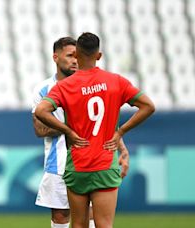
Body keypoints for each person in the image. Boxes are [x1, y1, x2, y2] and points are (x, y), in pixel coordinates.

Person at [35, 32, 155, 228]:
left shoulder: (65, 86)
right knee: (104, 225)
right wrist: (121, 132)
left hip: (78, 165)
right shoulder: (116, 81)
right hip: (105, 163)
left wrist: (68, 132)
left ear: (78, 55)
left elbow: (41, 110)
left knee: (78, 225)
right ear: (99, 56)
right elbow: (148, 106)